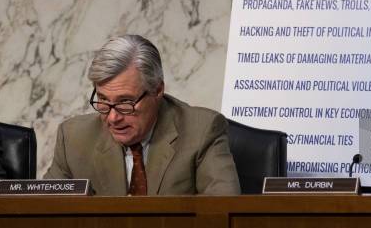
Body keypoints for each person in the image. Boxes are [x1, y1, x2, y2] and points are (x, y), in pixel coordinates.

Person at [45, 35, 240, 196]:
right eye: (103, 100)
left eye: (125, 102)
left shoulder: (202, 131)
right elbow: (42, 215)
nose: (113, 118)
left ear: (157, 90)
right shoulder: (73, 138)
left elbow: (221, 211)